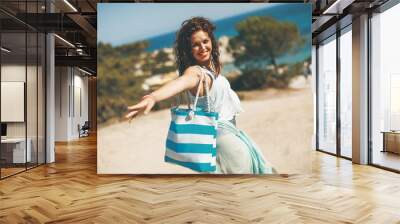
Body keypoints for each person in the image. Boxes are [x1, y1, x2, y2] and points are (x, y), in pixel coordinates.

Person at [126, 17, 275, 174]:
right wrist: (154, 97)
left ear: (212, 41)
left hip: (220, 146)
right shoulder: (196, 72)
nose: (202, 47)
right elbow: (182, 81)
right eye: (195, 45)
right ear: (188, 50)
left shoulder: (211, 68)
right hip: (229, 149)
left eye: (205, 41)